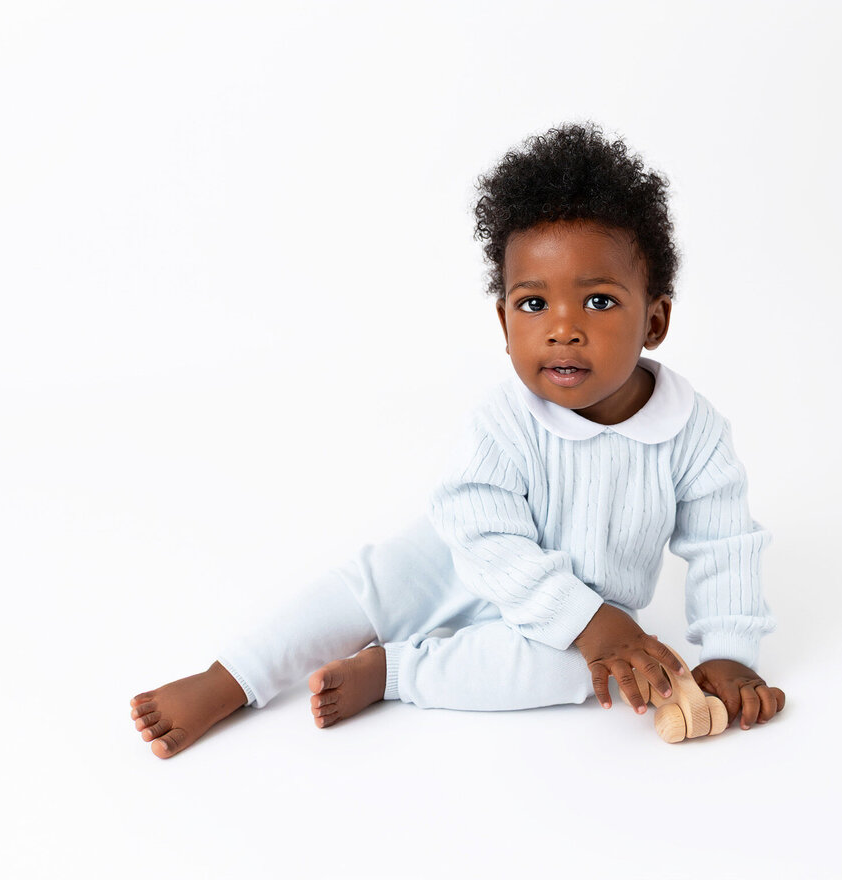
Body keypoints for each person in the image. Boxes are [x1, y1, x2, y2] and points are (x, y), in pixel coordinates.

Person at [130, 122, 786, 758]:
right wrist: (587, 622)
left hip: (580, 608)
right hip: (458, 560)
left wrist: (729, 653)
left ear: (656, 319)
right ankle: (229, 680)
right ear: (504, 322)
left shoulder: (691, 432)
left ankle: (395, 673)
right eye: (534, 305)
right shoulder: (506, 419)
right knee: (365, 588)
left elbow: (727, 544)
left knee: (583, 679)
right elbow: (483, 535)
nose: (563, 328)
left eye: (598, 302)